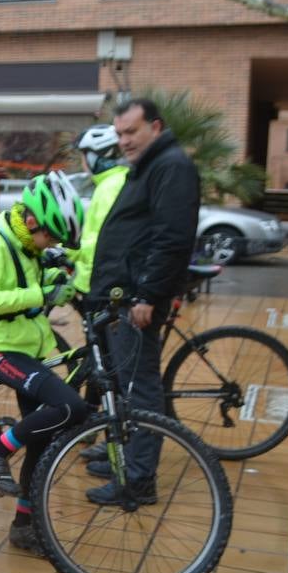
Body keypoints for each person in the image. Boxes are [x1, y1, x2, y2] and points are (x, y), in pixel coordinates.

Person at [83, 98, 200, 505]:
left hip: (136, 300)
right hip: (119, 297)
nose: (125, 141)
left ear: (155, 126)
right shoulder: (147, 167)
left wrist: (148, 295)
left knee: (139, 388)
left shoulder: (171, 166)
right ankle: (125, 460)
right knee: (123, 384)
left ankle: (138, 480)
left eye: (132, 131)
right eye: (119, 134)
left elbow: (172, 238)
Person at [0, 171, 90, 555]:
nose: (51, 243)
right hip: (2, 351)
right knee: (71, 406)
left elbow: (30, 286)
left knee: (42, 438)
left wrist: (55, 274)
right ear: (32, 220)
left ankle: (23, 526)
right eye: (50, 236)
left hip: (30, 350)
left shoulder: (28, 246)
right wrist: (40, 290)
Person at [67, 124, 130, 296]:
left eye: (84, 155)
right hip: (106, 278)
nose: (83, 162)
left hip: (100, 281)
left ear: (95, 156)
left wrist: (68, 252)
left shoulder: (110, 187)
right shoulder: (117, 180)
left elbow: (104, 239)